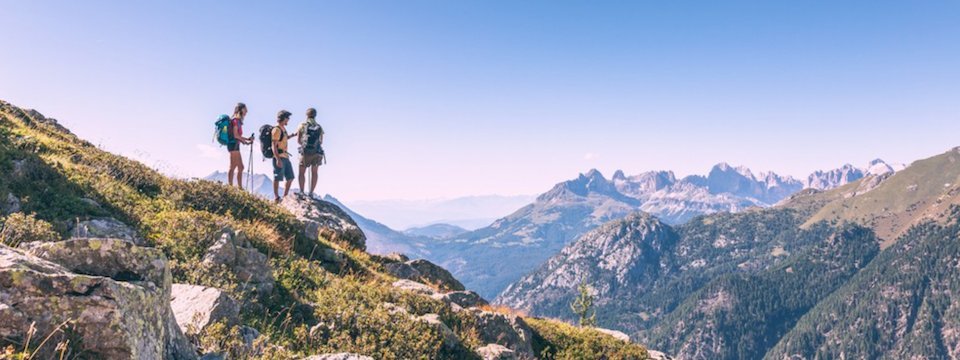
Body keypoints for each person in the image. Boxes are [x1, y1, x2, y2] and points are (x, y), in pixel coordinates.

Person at [297, 108, 324, 196]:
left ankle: (301, 191)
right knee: (315, 172)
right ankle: (311, 192)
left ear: (306, 115)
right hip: (316, 153)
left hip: (305, 153)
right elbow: (321, 141)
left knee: (301, 172)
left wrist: (305, 146)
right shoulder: (319, 126)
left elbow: (298, 140)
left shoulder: (302, 125)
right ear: (315, 115)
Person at [271, 110, 298, 202]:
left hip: (285, 156)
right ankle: (276, 197)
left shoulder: (283, 129)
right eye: (287, 118)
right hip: (279, 156)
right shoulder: (276, 130)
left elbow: (284, 138)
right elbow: (273, 145)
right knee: (277, 177)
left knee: (290, 177)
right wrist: (278, 159)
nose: (288, 120)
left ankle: (285, 196)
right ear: (284, 118)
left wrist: (293, 135)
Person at [227, 103, 254, 189]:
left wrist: (247, 139)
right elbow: (236, 135)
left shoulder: (237, 121)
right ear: (241, 110)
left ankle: (237, 187)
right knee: (235, 166)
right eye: (245, 109)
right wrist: (245, 142)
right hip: (233, 145)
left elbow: (238, 135)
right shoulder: (235, 120)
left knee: (238, 167)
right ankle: (233, 188)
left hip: (234, 145)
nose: (246, 111)